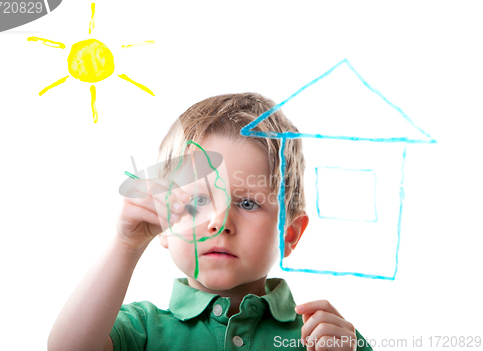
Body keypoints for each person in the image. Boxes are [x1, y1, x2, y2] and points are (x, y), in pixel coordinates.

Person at [47, 93, 373, 351]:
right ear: (164, 220)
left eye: (248, 203)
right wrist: (126, 244)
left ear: (289, 233)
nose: (220, 223)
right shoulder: (142, 328)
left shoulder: (319, 339)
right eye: (198, 201)